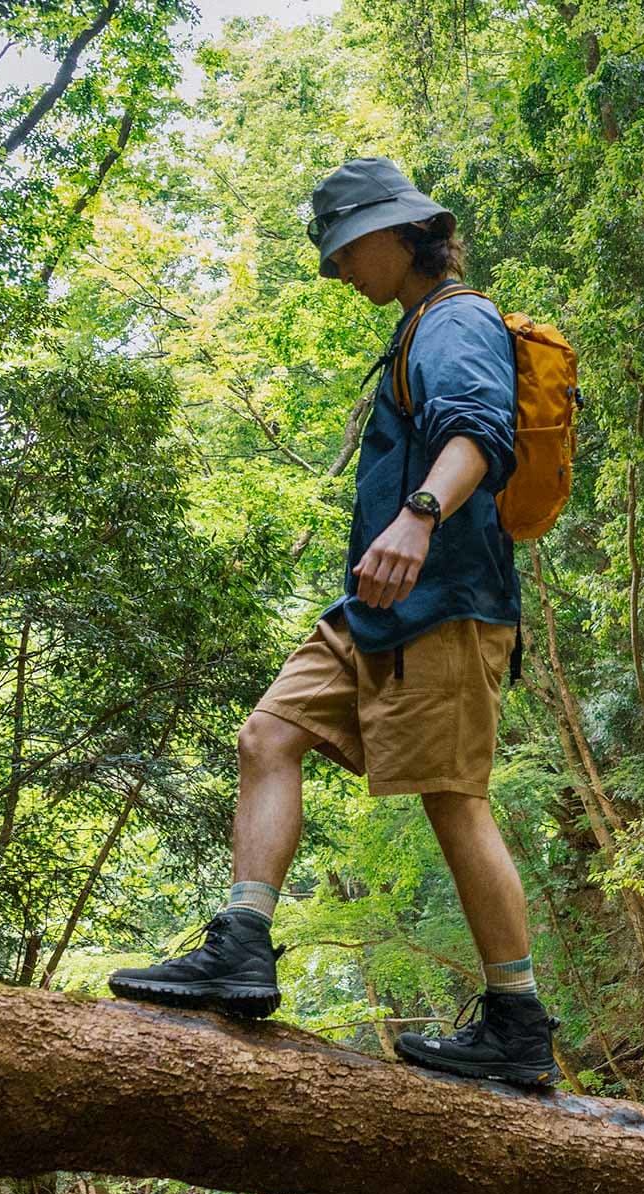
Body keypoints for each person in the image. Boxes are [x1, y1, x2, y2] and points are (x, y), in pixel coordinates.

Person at [109, 157, 560, 1087]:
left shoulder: (457, 320)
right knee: (269, 734)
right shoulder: (414, 328)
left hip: (446, 604)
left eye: (346, 248)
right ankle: (242, 943)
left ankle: (518, 1024)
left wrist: (420, 515)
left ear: (398, 234)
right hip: (377, 611)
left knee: (454, 799)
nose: (338, 269)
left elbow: (479, 430)